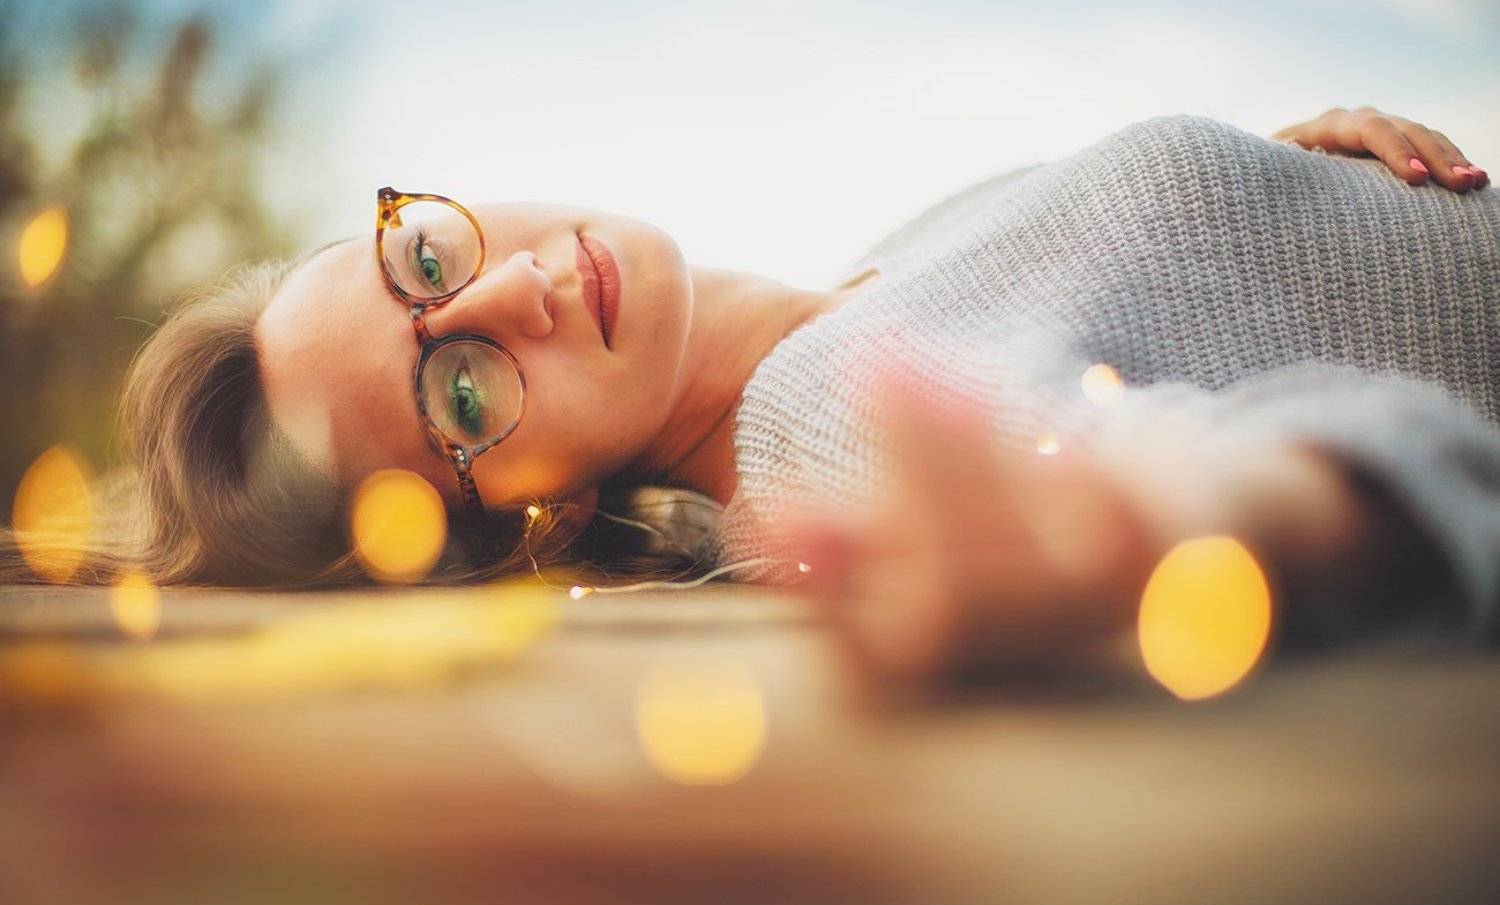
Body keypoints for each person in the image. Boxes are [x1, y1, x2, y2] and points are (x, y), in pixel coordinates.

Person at [15, 106, 1498, 685]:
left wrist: (1312, 215)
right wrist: (1162, 523)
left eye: (422, 256)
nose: (507, 297)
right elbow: (1240, 468)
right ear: (542, 519)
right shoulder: (836, 417)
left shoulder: (877, 276)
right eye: (461, 398)